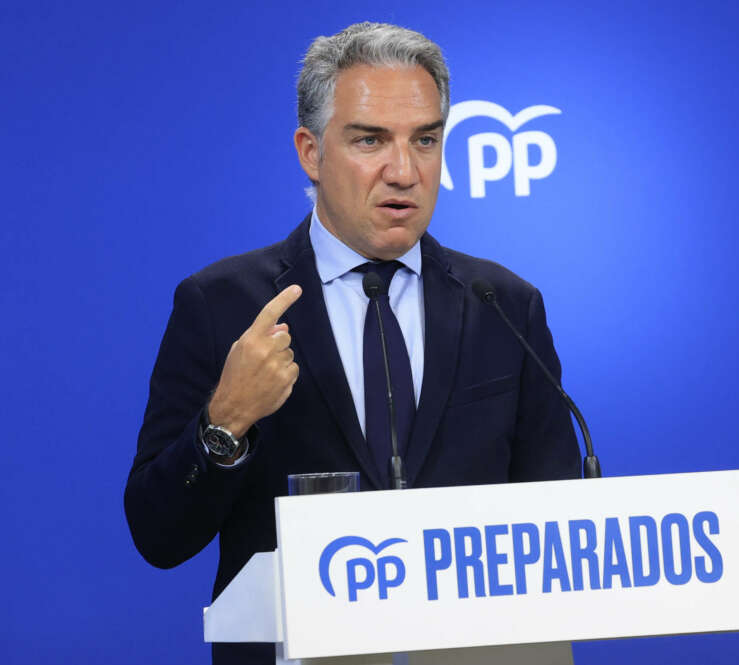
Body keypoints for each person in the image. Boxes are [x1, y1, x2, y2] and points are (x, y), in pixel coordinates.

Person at [124, 21, 580, 664]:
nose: (404, 170)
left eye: (425, 140)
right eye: (370, 140)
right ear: (311, 153)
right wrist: (225, 422)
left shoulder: (505, 305)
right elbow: (157, 534)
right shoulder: (222, 304)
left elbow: (560, 524)